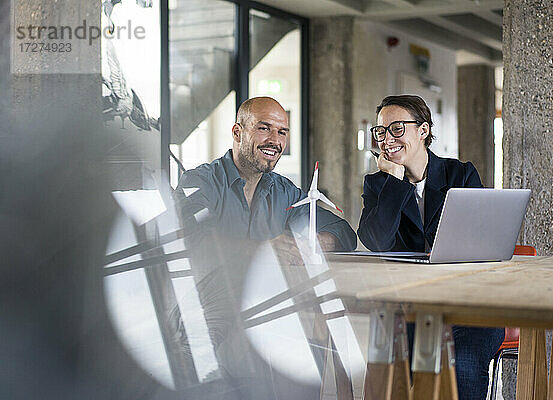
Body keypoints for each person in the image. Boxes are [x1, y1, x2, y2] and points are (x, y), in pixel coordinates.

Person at [357, 95, 503, 399]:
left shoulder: (460, 174)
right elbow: (376, 241)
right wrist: (395, 180)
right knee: (394, 371)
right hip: (408, 309)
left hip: (467, 307)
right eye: (381, 132)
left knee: (463, 364)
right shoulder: (377, 184)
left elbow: (479, 240)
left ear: (423, 130)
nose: (387, 139)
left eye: (397, 129)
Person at [176, 96, 357, 260]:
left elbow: (343, 232)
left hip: (272, 295)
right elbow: (194, 241)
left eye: (282, 132)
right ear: (237, 133)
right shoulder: (199, 182)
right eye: (264, 128)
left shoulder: (284, 192)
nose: (275, 141)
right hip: (212, 295)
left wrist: (310, 244)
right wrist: (263, 250)